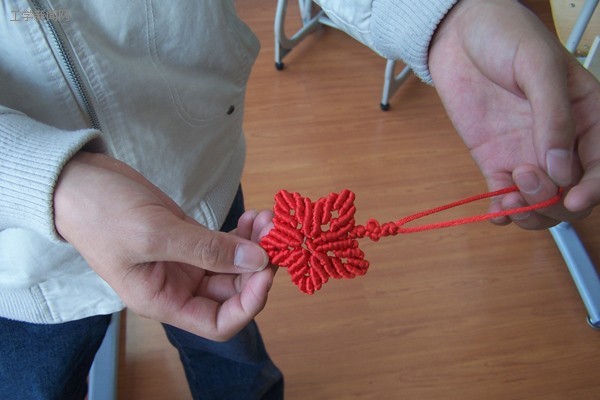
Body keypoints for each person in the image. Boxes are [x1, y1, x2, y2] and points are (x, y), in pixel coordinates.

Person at [0, 0, 598, 399]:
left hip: (202, 192)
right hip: (22, 269)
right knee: (37, 385)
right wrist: (50, 186)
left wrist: (443, 16)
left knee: (232, 353)